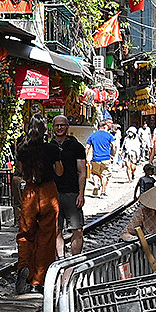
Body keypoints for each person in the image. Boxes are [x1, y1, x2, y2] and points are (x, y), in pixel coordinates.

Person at [15, 121, 63, 293]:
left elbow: (21, 171)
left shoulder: (23, 148)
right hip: (48, 192)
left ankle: (24, 267)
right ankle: (38, 281)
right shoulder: (52, 149)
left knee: (25, 233)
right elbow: (59, 172)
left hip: (30, 191)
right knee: (46, 237)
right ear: (44, 130)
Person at [52, 113, 89, 256]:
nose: (59, 128)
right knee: (56, 230)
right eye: (57, 125)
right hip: (53, 194)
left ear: (67, 126)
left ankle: (74, 260)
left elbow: (82, 172)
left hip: (72, 192)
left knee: (77, 229)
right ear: (53, 127)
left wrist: (81, 193)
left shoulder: (76, 146)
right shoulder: (49, 147)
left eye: (62, 125)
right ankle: (61, 259)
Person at [86, 119, 115, 197]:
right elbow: (114, 145)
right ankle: (103, 192)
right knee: (104, 175)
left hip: (95, 158)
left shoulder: (93, 135)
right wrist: (113, 154)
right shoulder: (109, 135)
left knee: (95, 173)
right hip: (106, 158)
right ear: (104, 126)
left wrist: (86, 157)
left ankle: (96, 185)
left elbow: (87, 147)